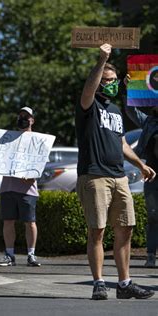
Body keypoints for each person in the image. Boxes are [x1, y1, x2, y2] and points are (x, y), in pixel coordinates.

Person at [77, 43, 155, 300]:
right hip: (95, 175)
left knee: (126, 228)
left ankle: (124, 283)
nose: (111, 84)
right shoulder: (89, 106)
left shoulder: (114, 110)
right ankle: (99, 282)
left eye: (114, 80)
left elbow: (121, 143)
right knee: (97, 230)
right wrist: (102, 61)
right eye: (107, 80)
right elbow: (89, 88)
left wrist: (140, 164)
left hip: (118, 176)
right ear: (99, 82)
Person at [0, 107, 41, 268]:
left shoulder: (38, 140)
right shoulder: (6, 139)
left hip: (28, 188)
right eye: (20, 116)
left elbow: (41, 163)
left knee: (30, 222)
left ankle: (31, 254)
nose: (23, 118)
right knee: (8, 221)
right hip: (7, 186)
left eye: (26, 116)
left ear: (32, 120)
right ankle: (9, 254)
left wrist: (32, 174)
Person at [124, 75, 158, 268]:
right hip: (153, 177)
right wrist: (130, 89)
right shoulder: (148, 122)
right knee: (153, 216)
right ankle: (151, 255)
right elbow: (130, 111)